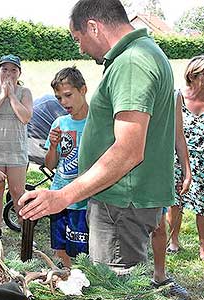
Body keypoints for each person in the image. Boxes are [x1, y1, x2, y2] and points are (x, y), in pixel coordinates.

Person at [19, 0, 175, 271]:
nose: (80, 48)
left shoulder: (131, 63)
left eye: (78, 39)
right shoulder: (141, 54)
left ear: (93, 27)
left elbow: (128, 150)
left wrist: (63, 196)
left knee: (113, 283)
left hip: (121, 202)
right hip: (122, 201)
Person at [0, 54, 33, 243]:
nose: (8, 74)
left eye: (13, 70)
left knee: (18, 191)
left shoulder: (24, 92)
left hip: (16, 151)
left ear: (19, 73)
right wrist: (2, 95)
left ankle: (24, 227)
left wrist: (11, 96)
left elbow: (25, 116)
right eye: (4, 69)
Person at [44, 67, 89, 268]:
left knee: (83, 246)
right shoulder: (60, 122)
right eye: (59, 98)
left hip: (85, 199)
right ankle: (69, 275)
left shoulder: (96, 122)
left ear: (83, 90)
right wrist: (53, 146)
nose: (64, 102)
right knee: (59, 246)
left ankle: (82, 276)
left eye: (68, 95)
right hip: (59, 194)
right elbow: (50, 164)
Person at [150, 89, 191, 298]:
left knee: (158, 225)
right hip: (130, 168)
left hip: (159, 168)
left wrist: (186, 169)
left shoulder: (173, 94)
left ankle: (159, 276)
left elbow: (178, 133)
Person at [167, 55, 204, 261]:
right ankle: (173, 240)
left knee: (203, 206)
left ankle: (203, 247)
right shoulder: (177, 96)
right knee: (175, 201)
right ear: (194, 75)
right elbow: (174, 132)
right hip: (177, 158)